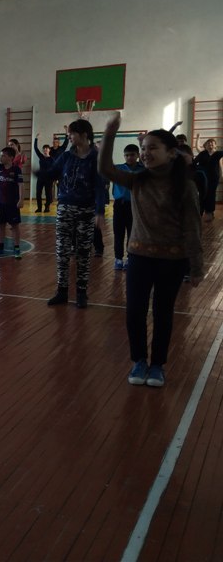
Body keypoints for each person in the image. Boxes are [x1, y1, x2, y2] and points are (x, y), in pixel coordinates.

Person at [99, 113, 203, 388]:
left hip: (172, 261)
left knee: (162, 312)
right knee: (134, 311)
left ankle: (157, 365)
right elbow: (105, 169)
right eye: (143, 148)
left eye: (152, 148)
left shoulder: (186, 186)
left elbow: (193, 228)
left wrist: (196, 266)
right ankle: (139, 361)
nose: (145, 153)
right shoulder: (137, 180)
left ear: (171, 153)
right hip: (139, 257)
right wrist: (109, 133)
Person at [37, 119, 106, 309]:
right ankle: (62, 291)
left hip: (86, 211)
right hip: (65, 209)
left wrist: (99, 211)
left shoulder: (95, 158)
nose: (69, 137)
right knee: (62, 251)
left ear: (84, 135)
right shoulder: (66, 156)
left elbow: (100, 187)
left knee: (83, 252)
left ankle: (81, 292)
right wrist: (39, 173)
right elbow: (53, 172)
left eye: (72, 134)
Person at [0, 145, 24, 259]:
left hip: (12, 203)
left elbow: (20, 185)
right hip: (0, 203)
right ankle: (0, 248)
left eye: (3, 156)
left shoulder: (16, 170)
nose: (1, 158)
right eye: (0, 156)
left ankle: (17, 248)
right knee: (1, 226)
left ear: (11, 157)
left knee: (15, 226)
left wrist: (21, 199)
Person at [111, 144, 144, 270]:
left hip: (135, 206)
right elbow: (104, 167)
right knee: (118, 233)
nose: (129, 157)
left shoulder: (143, 169)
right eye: (127, 155)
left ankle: (130, 258)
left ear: (138, 155)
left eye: (132, 155)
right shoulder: (118, 168)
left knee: (132, 233)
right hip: (120, 205)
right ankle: (118, 258)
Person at [193, 135, 223, 222]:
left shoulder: (217, 154)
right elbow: (197, 148)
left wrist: (221, 175)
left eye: (212, 143)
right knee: (202, 194)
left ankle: (210, 212)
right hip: (203, 178)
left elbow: (220, 166)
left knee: (211, 194)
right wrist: (198, 138)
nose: (210, 145)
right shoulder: (203, 153)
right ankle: (201, 211)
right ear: (205, 145)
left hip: (214, 178)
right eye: (208, 143)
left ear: (215, 145)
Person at [33, 133, 54, 213]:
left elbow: (55, 169)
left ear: (49, 150)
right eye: (44, 149)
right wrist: (36, 138)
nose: (45, 150)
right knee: (38, 193)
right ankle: (39, 208)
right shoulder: (41, 157)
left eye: (47, 149)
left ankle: (47, 207)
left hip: (49, 179)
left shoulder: (52, 159)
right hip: (40, 178)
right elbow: (35, 148)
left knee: (48, 194)